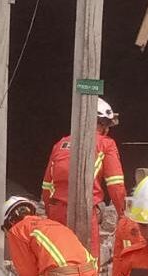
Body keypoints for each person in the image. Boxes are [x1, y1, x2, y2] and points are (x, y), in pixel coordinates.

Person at [41, 98, 126, 258]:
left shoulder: (60, 144)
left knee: (60, 260)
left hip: (56, 211)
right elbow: (115, 184)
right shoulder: (106, 144)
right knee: (88, 260)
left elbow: (46, 186)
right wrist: (122, 215)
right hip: (85, 212)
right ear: (102, 124)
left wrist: (50, 212)